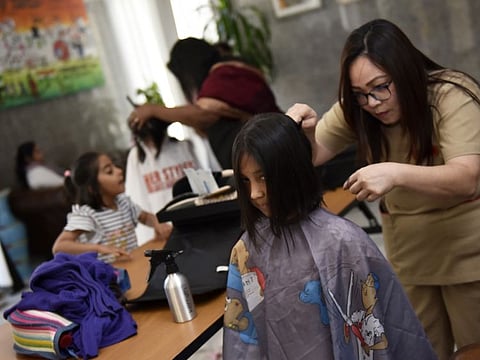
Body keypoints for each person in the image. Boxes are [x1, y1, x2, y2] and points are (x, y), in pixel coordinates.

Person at [287, 18, 480, 360]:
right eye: (361, 94)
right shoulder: (359, 110)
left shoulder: (450, 94)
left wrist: (395, 173)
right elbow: (315, 155)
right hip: (410, 258)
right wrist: (305, 131)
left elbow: (466, 177)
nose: (373, 102)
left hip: (467, 256)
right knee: (417, 349)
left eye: (381, 87)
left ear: (404, 71)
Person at [222, 112, 436, 359]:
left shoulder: (342, 241)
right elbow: (244, 344)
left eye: (263, 177)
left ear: (293, 171)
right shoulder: (246, 250)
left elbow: (379, 330)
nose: (255, 194)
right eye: (246, 181)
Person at [128, 37, 282, 170]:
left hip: (269, 152)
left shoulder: (225, 74)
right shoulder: (225, 72)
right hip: (263, 153)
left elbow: (204, 114)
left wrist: (154, 110)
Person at [52, 152, 171, 264]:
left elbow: (145, 217)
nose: (119, 171)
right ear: (93, 188)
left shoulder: (124, 203)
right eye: (109, 171)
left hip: (132, 267)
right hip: (107, 278)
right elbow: (59, 247)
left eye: (115, 166)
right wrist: (98, 248)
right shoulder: (87, 215)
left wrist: (156, 224)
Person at [125, 117, 200, 246]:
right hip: (161, 230)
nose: (149, 143)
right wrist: (150, 230)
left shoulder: (184, 147)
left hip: (192, 221)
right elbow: (137, 196)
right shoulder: (136, 156)